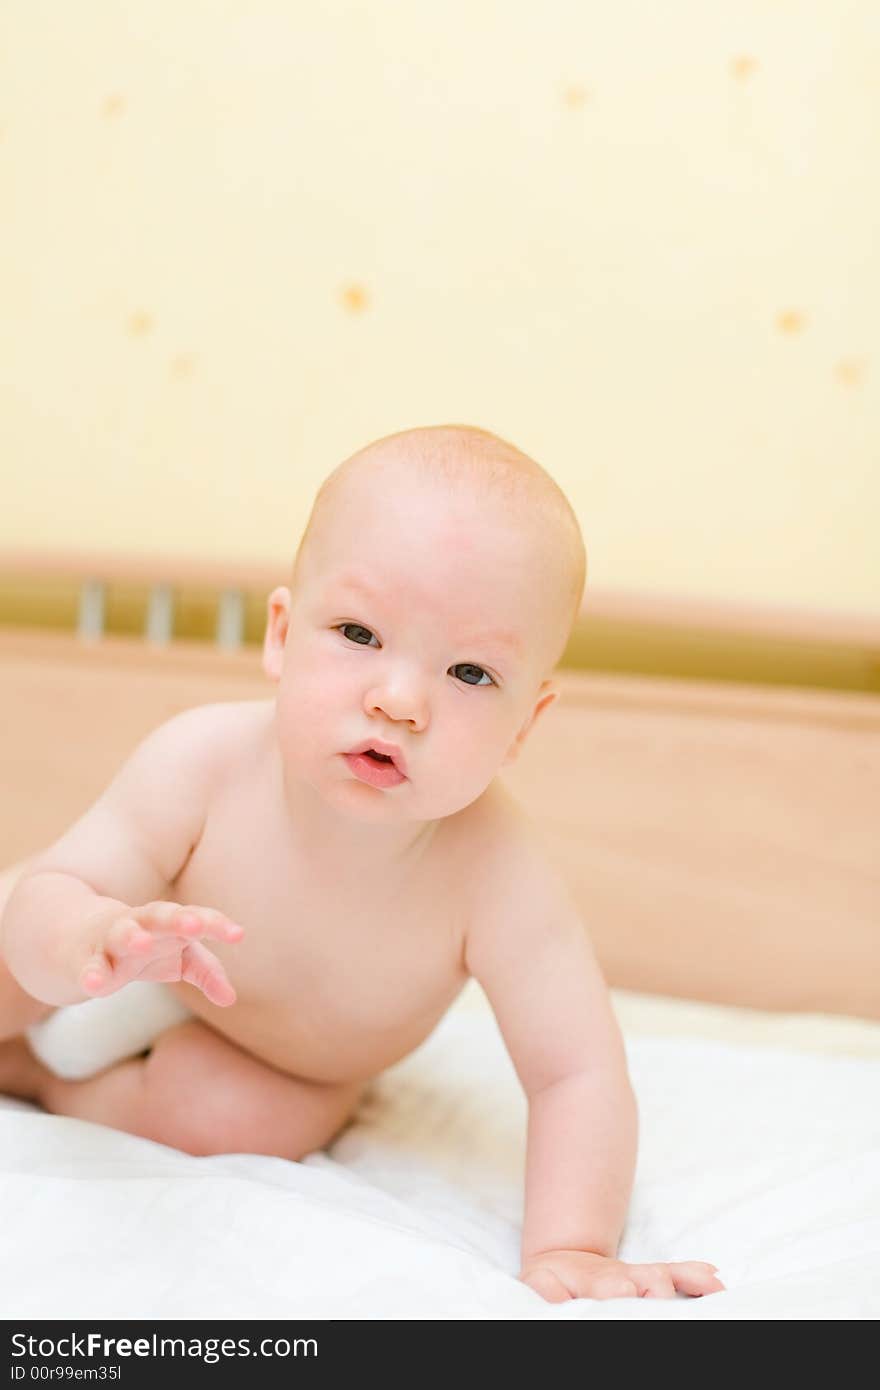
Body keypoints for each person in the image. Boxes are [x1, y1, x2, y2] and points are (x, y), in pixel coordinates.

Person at [0, 424, 723, 1303]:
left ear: (527, 724)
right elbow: (56, 891)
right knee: (17, 954)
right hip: (118, 944)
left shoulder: (497, 873)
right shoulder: (203, 760)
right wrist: (93, 941)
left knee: (230, 1121)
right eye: (357, 631)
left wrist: (572, 1245)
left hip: (284, 1062)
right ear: (280, 634)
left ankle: (34, 1076)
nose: (400, 700)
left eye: (469, 672)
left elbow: (577, 1072)